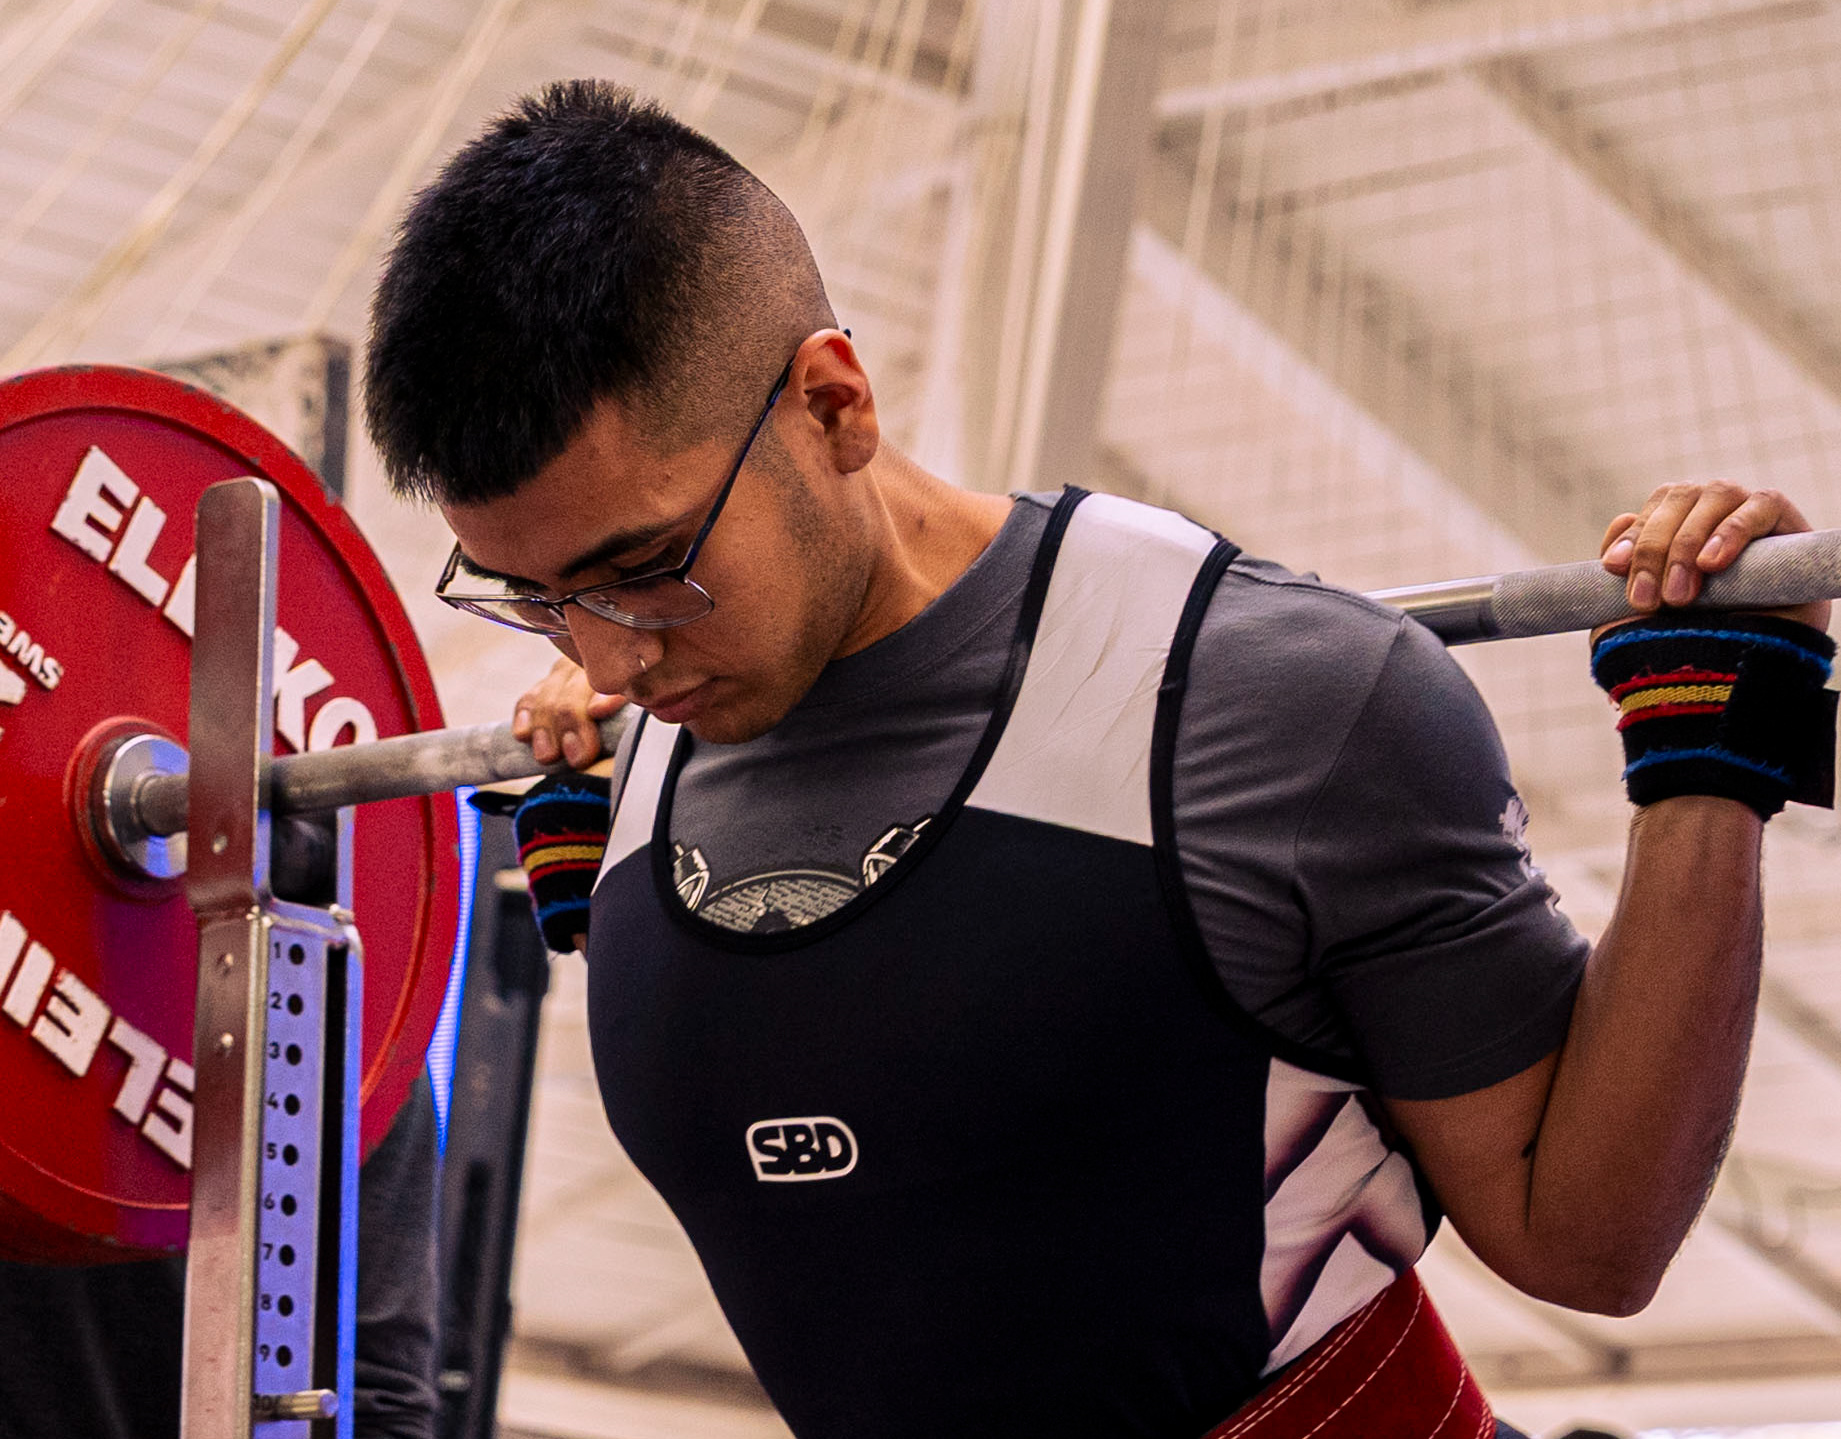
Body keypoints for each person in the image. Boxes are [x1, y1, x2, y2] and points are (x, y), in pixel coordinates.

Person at [362, 79, 1835, 1439]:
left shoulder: (1277, 698)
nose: (609, 652)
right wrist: (611, 851)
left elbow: (1587, 1242)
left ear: (833, 405)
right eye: (533, 594)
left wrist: (1708, 748)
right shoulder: (635, 754)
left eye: (644, 568)